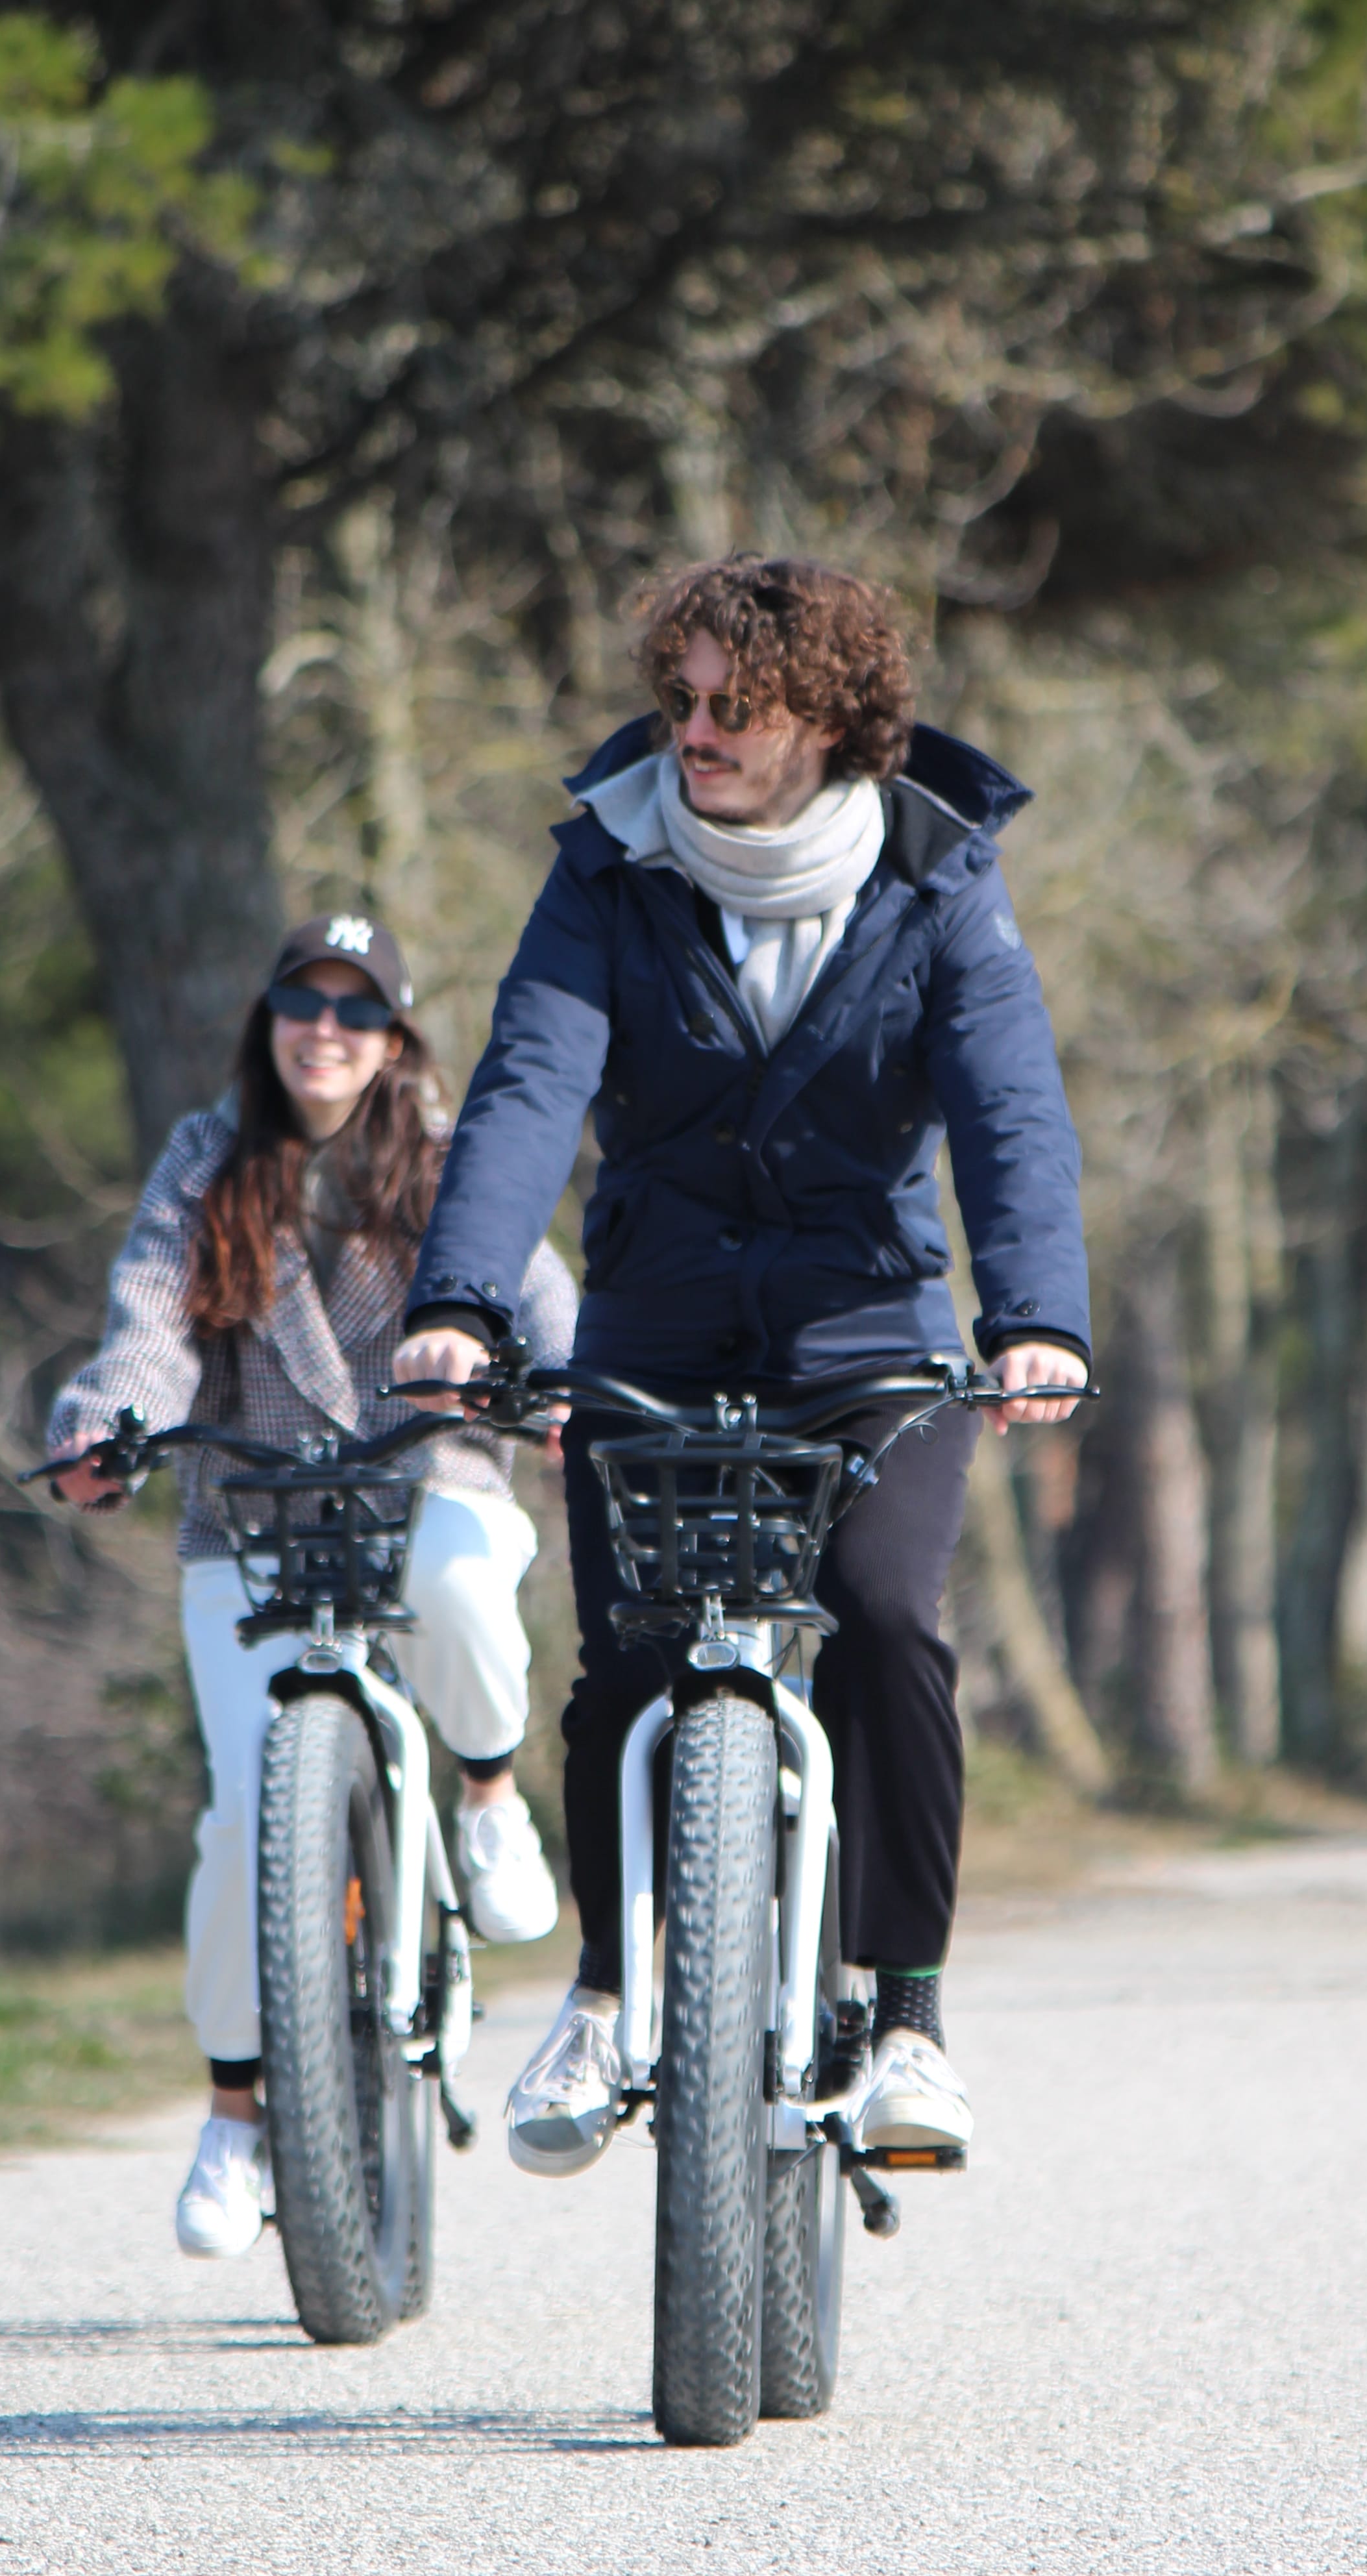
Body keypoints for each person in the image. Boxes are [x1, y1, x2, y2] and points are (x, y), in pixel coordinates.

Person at [393, 556, 1088, 2180]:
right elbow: (526, 1085)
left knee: (892, 1616)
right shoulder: (609, 867)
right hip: (659, 1316)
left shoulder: (937, 874)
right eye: (680, 699)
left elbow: (1009, 1112)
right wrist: (465, 1301)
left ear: (832, 722)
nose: (693, 732)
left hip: (870, 1331)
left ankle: (905, 2011)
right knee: (625, 1650)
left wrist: (1036, 1317)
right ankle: (602, 1989)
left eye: (736, 708)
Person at [47, 913, 576, 2260]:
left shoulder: (456, 1163)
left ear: (396, 1038)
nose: (325, 1031)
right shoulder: (206, 1161)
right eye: (304, 1003)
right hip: (254, 1528)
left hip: (427, 1489)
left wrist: (565, 1391)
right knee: (240, 1829)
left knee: (465, 1581)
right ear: (268, 1019)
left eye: (357, 1011)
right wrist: (106, 1423)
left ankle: (491, 1795)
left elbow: (542, 1300)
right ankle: (235, 2112)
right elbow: (147, 1327)